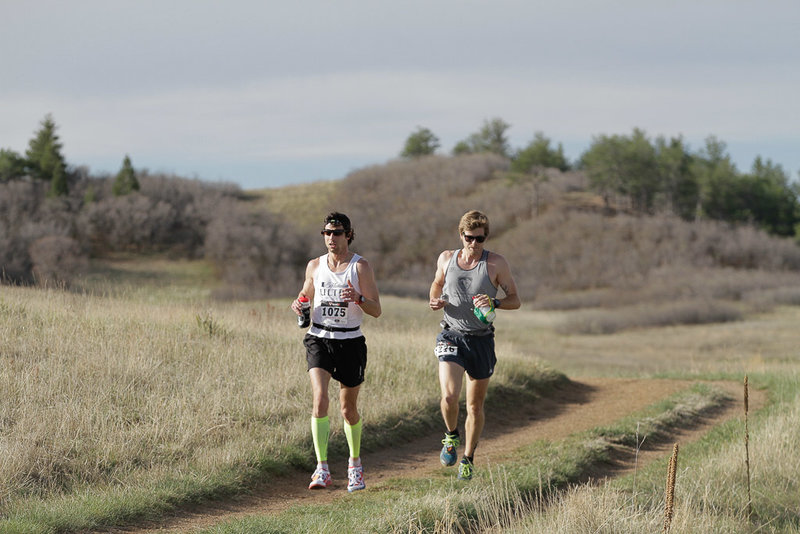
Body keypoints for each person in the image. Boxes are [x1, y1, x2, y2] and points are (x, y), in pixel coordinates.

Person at [291, 212, 381, 492]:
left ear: (348, 235)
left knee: (348, 409)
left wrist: (358, 298)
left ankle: (355, 466)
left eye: (338, 232)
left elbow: (376, 309)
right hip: (319, 337)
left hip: (350, 341)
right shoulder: (315, 265)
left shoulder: (360, 267)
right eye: (327, 233)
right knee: (319, 400)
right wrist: (299, 305)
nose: (332, 238)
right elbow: (304, 296)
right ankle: (322, 469)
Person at [428, 210, 520, 481]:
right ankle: (450, 436)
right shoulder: (447, 258)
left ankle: (468, 458)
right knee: (448, 397)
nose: (474, 244)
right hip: (451, 335)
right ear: (461, 235)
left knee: (475, 407)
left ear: (485, 237)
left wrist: (495, 303)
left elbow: (515, 299)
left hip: (481, 340)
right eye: (469, 238)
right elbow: (436, 284)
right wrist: (435, 300)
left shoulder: (496, 264)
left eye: (480, 239)